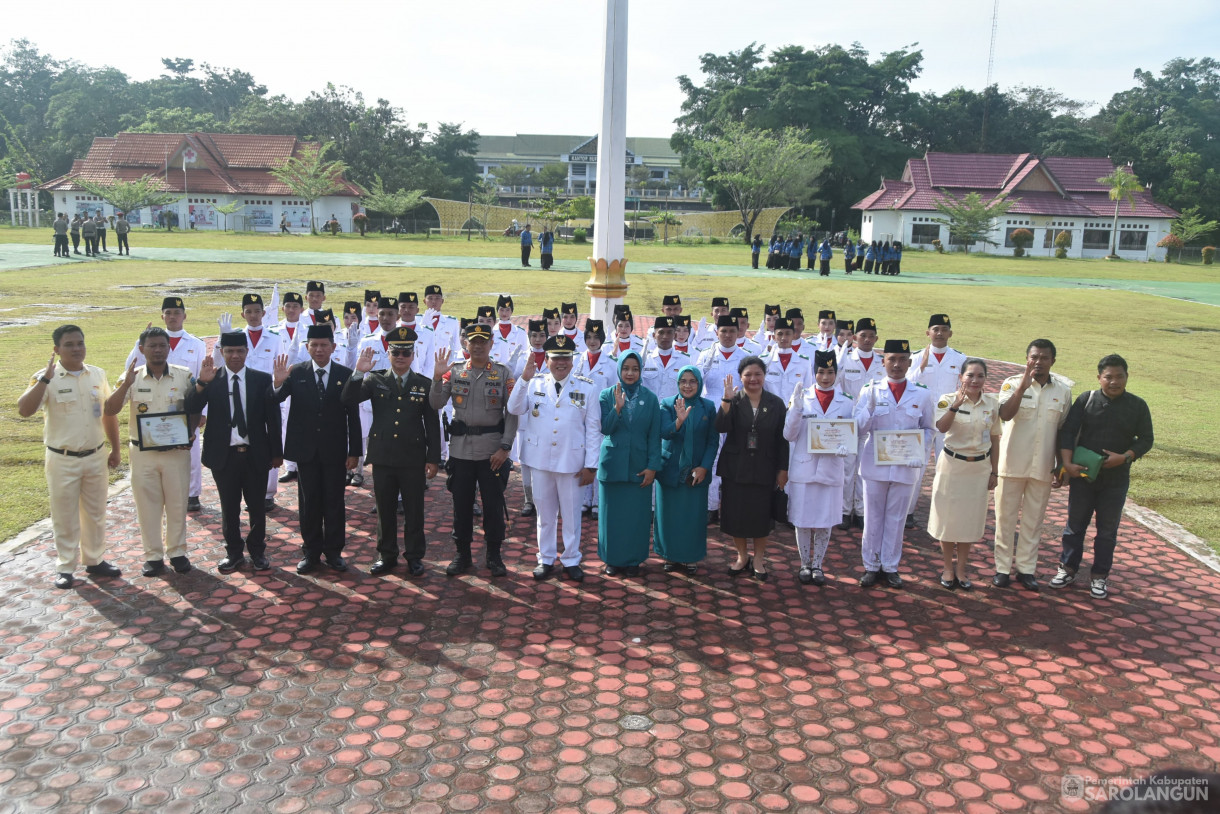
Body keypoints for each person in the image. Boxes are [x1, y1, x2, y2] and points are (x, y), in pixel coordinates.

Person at [18, 325, 122, 589]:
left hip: (95, 455)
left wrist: (116, 448)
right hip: (62, 458)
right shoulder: (45, 377)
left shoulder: (97, 374)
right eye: (69, 344)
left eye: (80, 343)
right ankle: (65, 566)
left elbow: (108, 413)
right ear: (57, 349)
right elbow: (25, 410)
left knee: (96, 512)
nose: (76, 349)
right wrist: (45, 380)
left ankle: (95, 560)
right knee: (64, 515)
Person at [1052, 354, 1154, 600]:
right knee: (1074, 527)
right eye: (1108, 377)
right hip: (1083, 476)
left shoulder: (1138, 405)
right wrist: (1066, 464)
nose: (1114, 382)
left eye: (1119, 376)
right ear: (1099, 378)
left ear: (1127, 377)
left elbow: (1147, 440)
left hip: (1116, 480)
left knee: (1107, 531)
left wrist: (1126, 456)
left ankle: (1099, 576)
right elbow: (1068, 432)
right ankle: (1067, 568)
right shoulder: (1086, 400)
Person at [343, 327, 441, 577]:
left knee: (414, 511)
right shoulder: (375, 380)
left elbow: (431, 423)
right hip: (384, 456)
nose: (400, 356)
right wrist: (357, 373)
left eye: (406, 352)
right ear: (388, 353)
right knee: (385, 510)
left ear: (413, 354)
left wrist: (433, 458)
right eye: (396, 352)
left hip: (412, 458)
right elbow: (348, 400)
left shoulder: (423, 383)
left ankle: (414, 556)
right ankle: (386, 555)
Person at [185, 332, 283, 574]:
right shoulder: (212, 379)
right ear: (222, 352)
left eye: (240, 350)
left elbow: (273, 418)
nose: (235, 355)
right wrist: (201, 383)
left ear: (247, 352)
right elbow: (191, 407)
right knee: (229, 507)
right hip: (224, 455)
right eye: (229, 351)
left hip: (255, 453)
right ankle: (234, 552)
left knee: (257, 507)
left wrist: (276, 452)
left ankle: (258, 551)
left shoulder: (261, 380)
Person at [104, 326, 197, 576]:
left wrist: (190, 431)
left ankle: (177, 552)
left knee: (178, 504)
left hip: (175, 453)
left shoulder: (184, 375)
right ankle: (153, 556)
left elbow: (196, 411)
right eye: (152, 346)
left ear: (169, 348)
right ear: (142, 349)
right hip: (142, 454)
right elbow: (110, 409)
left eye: (162, 345)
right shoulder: (131, 377)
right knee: (148, 505)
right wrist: (125, 385)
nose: (157, 350)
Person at [271, 324, 363, 574]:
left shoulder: (345, 374)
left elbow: (352, 415)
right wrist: (277, 383)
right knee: (309, 501)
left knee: (334, 501)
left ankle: (334, 551)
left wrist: (354, 451)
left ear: (334, 347)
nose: (319, 349)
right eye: (314, 345)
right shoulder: (296, 372)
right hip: (306, 450)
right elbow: (276, 400)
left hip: (335, 450)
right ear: (307, 347)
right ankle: (311, 551)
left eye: (324, 345)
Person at [508, 334, 600, 581]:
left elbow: (593, 429)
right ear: (546, 360)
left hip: (572, 463)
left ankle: (571, 559)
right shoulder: (534, 383)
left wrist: (592, 464)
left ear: (572, 360)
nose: (562, 363)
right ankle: (545, 558)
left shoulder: (587, 387)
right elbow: (514, 409)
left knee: (571, 516)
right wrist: (524, 379)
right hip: (540, 461)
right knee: (545, 516)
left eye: (566, 358)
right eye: (556, 358)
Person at [430, 323, 518, 577]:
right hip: (461, 450)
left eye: (483, 341)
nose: (478, 346)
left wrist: (506, 447)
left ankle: (494, 555)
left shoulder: (502, 373)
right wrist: (437, 377)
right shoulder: (455, 372)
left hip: (492, 451)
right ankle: (462, 554)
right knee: (462, 505)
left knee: (493, 505)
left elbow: (511, 412)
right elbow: (436, 402)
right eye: (473, 341)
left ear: (491, 343)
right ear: (465, 344)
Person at [854, 339, 935, 588]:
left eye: (902, 360)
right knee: (873, 517)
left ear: (910, 363)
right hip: (874, 466)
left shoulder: (921, 394)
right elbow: (858, 429)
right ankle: (870, 565)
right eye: (892, 359)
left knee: (897, 518)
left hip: (905, 466)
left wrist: (918, 453)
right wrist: (867, 410)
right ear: (883, 361)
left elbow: (929, 429)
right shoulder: (870, 390)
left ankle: (890, 566)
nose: (897, 364)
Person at [993, 339, 1073, 589]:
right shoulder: (1012, 383)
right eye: (1034, 357)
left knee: (1033, 520)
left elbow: (1063, 431)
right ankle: (1002, 569)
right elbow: (1005, 415)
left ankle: (1026, 569)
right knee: (1004, 520)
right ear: (1027, 358)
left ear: (1053, 361)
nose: (1038, 362)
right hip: (1011, 463)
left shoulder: (1063, 390)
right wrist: (1021, 389)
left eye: (1044, 358)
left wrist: (1062, 465)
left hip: (1042, 466)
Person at [927, 359, 1001, 590]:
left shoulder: (991, 403)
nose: (974, 380)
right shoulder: (947, 399)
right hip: (952, 465)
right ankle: (948, 567)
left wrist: (995, 471)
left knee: (970, 520)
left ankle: (962, 569)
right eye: (970, 375)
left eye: (980, 376)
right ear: (961, 377)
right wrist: (955, 406)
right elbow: (941, 427)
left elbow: (995, 438)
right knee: (948, 518)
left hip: (978, 468)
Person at [783, 351, 855, 585]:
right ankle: (804, 563)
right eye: (821, 372)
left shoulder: (846, 401)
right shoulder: (801, 397)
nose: (825, 377)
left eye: (830, 372)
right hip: (804, 469)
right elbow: (789, 435)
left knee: (825, 521)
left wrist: (847, 447)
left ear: (837, 373)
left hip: (831, 467)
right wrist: (795, 409)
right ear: (814, 373)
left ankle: (818, 565)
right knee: (802, 520)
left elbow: (852, 435)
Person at [717, 356, 789, 580]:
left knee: (761, 516)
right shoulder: (734, 400)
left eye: (758, 374)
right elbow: (720, 427)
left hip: (764, 468)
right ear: (741, 376)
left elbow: (782, 439)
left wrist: (783, 469)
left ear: (764, 376)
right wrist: (726, 401)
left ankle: (758, 558)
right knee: (736, 515)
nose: (753, 379)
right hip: (736, 467)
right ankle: (742, 556)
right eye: (748, 374)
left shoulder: (776, 403)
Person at [215, 292, 283, 509]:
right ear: (242, 314)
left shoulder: (274, 337)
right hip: (240, 394)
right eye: (248, 311)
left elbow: (280, 366)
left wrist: (277, 390)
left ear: (264, 313)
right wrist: (221, 338)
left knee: (269, 438)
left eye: (257, 311)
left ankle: (268, 493)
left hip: (267, 394)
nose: (253, 316)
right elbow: (218, 365)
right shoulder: (236, 337)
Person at [597, 351, 662, 576]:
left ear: (641, 370)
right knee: (611, 516)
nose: (630, 373)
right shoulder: (606, 394)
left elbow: (655, 436)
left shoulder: (651, 398)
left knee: (636, 517)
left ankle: (634, 559)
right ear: (619, 370)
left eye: (635, 368)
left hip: (639, 466)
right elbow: (605, 428)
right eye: (626, 368)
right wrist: (617, 408)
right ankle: (612, 560)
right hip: (612, 464)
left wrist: (653, 466)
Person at [906, 313, 968, 528]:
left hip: (947, 422)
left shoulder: (960, 359)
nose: (939, 333)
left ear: (950, 333)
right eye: (935, 329)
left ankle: (944, 511)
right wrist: (921, 366)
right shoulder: (916, 357)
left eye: (944, 329)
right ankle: (908, 512)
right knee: (916, 468)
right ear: (928, 332)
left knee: (947, 468)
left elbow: (965, 389)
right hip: (921, 422)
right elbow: (906, 385)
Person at [654, 366, 717, 574]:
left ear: (699, 384)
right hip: (670, 469)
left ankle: (691, 556)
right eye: (683, 381)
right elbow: (664, 432)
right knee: (668, 515)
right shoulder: (667, 404)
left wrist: (704, 467)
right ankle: (669, 555)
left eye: (692, 381)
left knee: (693, 516)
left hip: (696, 473)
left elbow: (712, 442)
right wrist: (679, 421)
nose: (687, 385)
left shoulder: (707, 407)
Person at [837, 317, 885, 529]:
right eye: (862, 335)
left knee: (866, 469)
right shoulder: (845, 359)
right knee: (847, 469)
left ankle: (861, 510)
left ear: (876, 338)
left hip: (872, 423)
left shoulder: (882, 362)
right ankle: (845, 511)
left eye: (871, 336)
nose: (867, 339)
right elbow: (837, 386)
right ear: (854, 337)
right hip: (849, 422)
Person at [697, 315, 746, 522]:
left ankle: (733, 507)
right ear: (716, 332)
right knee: (713, 459)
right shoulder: (706, 355)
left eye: (732, 331)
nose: (727, 335)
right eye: (723, 331)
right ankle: (710, 507)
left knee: (737, 461)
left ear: (738, 333)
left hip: (737, 414)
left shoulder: (746, 357)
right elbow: (697, 385)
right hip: (712, 414)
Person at [641, 316, 688, 401]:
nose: (665, 336)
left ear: (675, 335)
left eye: (669, 332)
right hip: (650, 410)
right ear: (654, 335)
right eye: (661, 332)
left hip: (673, 411)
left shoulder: (685, 361)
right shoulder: (645, 359)